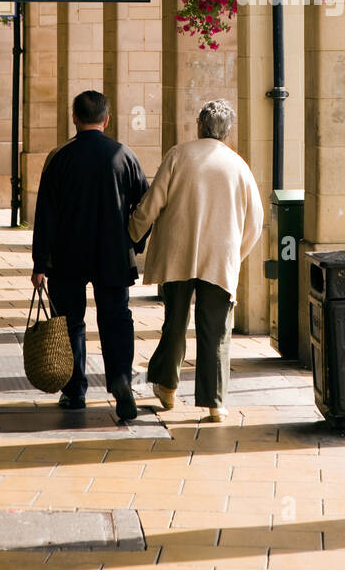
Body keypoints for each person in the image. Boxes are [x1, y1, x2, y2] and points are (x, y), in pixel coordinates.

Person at [129, 99, 264, 423]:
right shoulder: (237, 165)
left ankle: (167, 385)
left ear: (200, 125)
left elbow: (153, 202)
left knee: (175, 321)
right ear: (227, 132)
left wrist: (133, 233)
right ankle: (215, 402)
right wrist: (236, 253)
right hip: (219, 258)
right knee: (216, 330)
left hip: (179, 253)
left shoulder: (179, 155)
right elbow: (255, 222)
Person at [30, 89, 149, 422]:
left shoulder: (59, 157)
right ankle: (121, 379)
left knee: (70, 322)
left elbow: (46, 213)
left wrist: (40, 262)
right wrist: (134, 242)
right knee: (115, 318)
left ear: (74, 118)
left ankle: (74, 390)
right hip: (112, 252)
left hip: (67, 255)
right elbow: (146, 204)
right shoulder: (124, 155)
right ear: (106, 119)